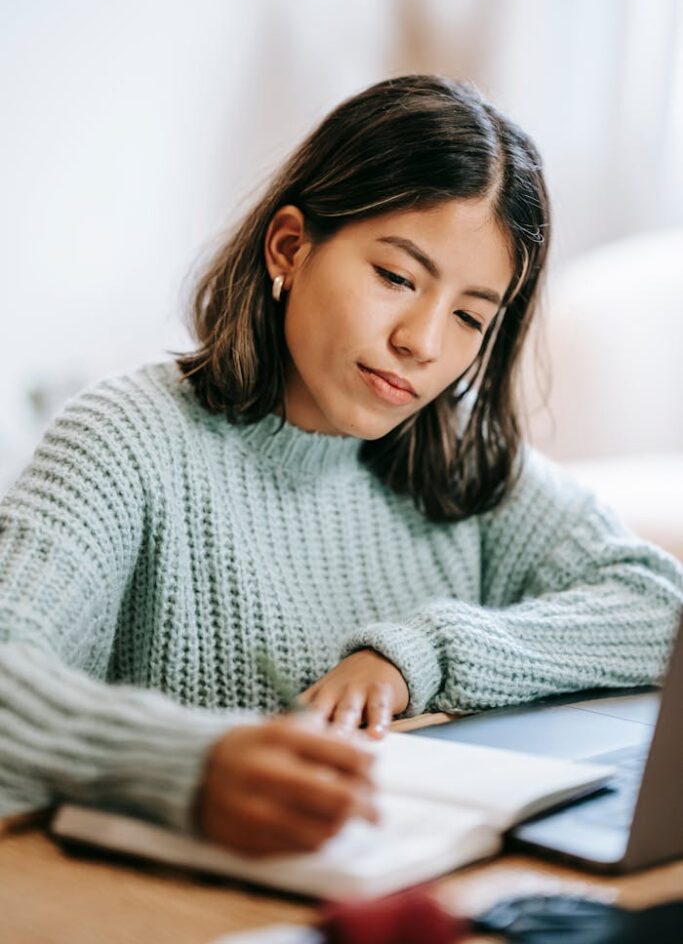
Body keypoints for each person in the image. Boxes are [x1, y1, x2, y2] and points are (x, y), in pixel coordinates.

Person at [1, 75, 681, 859]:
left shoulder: (457, 460)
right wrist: (190, 762)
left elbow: (657, 608)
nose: (422, 341)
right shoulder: (125, 440)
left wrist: (418, 655)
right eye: (395, 277)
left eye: (468, 316)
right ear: (289, 246)